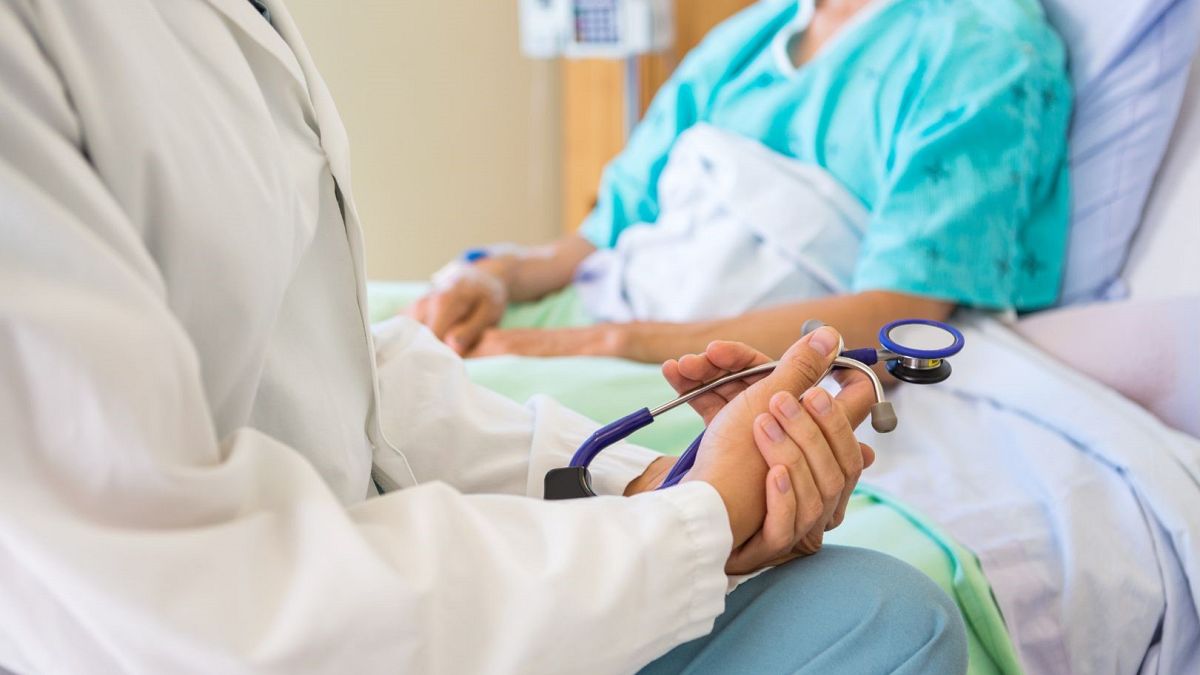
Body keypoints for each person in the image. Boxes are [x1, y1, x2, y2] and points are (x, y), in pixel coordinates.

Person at [0, 1, 968, 673]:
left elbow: (310, 363)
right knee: (890, 626)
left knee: (884, 605)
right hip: (245, 626)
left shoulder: (980, 38)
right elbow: (198, 606)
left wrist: (647, 482)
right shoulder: (745, 42)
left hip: (643, 335)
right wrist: (691, 521)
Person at [410, 0, 1072, 363]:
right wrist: (495, 275)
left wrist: (605, 346)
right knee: (371, 343)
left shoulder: (987, 49)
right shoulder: (747, 39)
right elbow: (602, 232)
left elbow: (897, 314)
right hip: (607, 303)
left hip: (697, 361)